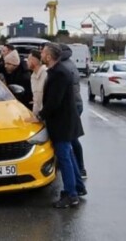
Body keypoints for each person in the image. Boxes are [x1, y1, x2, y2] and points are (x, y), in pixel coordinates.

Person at [34, 43, 86, 208]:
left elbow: (54, 102)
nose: (41, 54)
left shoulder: (59, 74)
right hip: (65, 121)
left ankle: (71, 195)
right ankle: (78, 187)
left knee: (64, 158)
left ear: (49, 56)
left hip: (62, 123)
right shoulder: (58, 71)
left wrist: (40, 116)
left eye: (43, 52)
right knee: (68, 156)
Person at [60, 44, 87, 180]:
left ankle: (80, 168)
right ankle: (79, 167)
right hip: (75, 103)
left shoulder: (64, 67)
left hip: (73, 105)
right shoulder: (67, 63)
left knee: (71, 138)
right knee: (70, 137)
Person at [28, 49, 47, 117]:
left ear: (34, 61)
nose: (27, 62)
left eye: (29, 59)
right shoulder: (33, 76)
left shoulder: (46, 74)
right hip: (37, 115)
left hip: (46, 115)